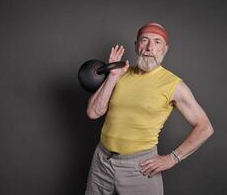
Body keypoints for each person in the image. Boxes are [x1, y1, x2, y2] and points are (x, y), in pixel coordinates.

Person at [84, 23, 214, 195]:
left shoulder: (174, 85)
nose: (150, 47)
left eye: (157, 42)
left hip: (140, 167)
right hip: (102, 160)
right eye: (144, 40)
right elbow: (94, 112)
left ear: (165, 49)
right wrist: (112, 77)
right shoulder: (120, 73)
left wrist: (172, 158)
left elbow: (205, 127)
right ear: (136, 45)